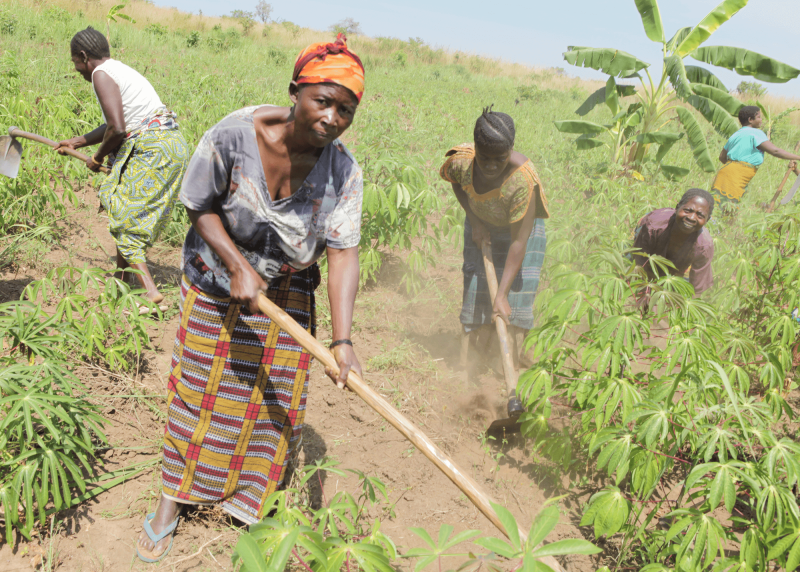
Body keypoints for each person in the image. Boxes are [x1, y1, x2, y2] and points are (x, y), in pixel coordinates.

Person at [135, 34, 365, 563]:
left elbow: (343, 254)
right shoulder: (235, 135)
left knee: (271, 407)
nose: (332, 117)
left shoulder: (344, 172)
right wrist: (237, 266)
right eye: (322, 101)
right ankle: (172, 501)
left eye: (345, 109)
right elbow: (198, 204)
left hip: (287, 293)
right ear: (295, 93)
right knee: (198, 395)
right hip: (218, 281)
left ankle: (248, 504)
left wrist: (344, 339)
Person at [55, 27, 189, 308]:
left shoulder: (100, 75)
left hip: (151, 149)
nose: (76, 69)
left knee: (123, 219)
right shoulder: (118, 70)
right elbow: (113, 122)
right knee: (127, 211)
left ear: (83, 56)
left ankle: (150, 291)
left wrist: (98, 158)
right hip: (170, 145)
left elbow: (116, 129)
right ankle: (120, 280)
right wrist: (78, 142)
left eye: (75, 62)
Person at [439, 107, 550, 416]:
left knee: (515, 294)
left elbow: (518, 242)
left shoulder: (522, 181)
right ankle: (469, 363)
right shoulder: (462, 162)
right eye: (484, 157)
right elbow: (457, 184)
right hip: (482, 219)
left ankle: (509, 369)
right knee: (475, 282)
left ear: (510, 152)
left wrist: (501, 295)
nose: (489, 166)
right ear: (476, 147)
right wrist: (474, 219)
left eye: (498, 159)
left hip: (520, 232)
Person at [710, 106, 800, 211]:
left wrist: (734, 165)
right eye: (759, 117)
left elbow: (722, 157)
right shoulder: (756, 133)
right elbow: (775, 151)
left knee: (718, 208)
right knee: (729, 210)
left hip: (725, 172)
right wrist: (798, 157)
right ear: (750, 120)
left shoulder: (736, 134)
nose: (761, 120)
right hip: (736, 175)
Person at [632, 189, 715, 295]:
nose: (691, 217)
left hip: (676, 269)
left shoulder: (704, 246)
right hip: (646, 229)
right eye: (688, 210)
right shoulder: (653, 225)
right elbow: (638, 262)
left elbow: (697, 288)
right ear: (677, 208)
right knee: (630, 263)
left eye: (700, 215)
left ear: (707, 220)